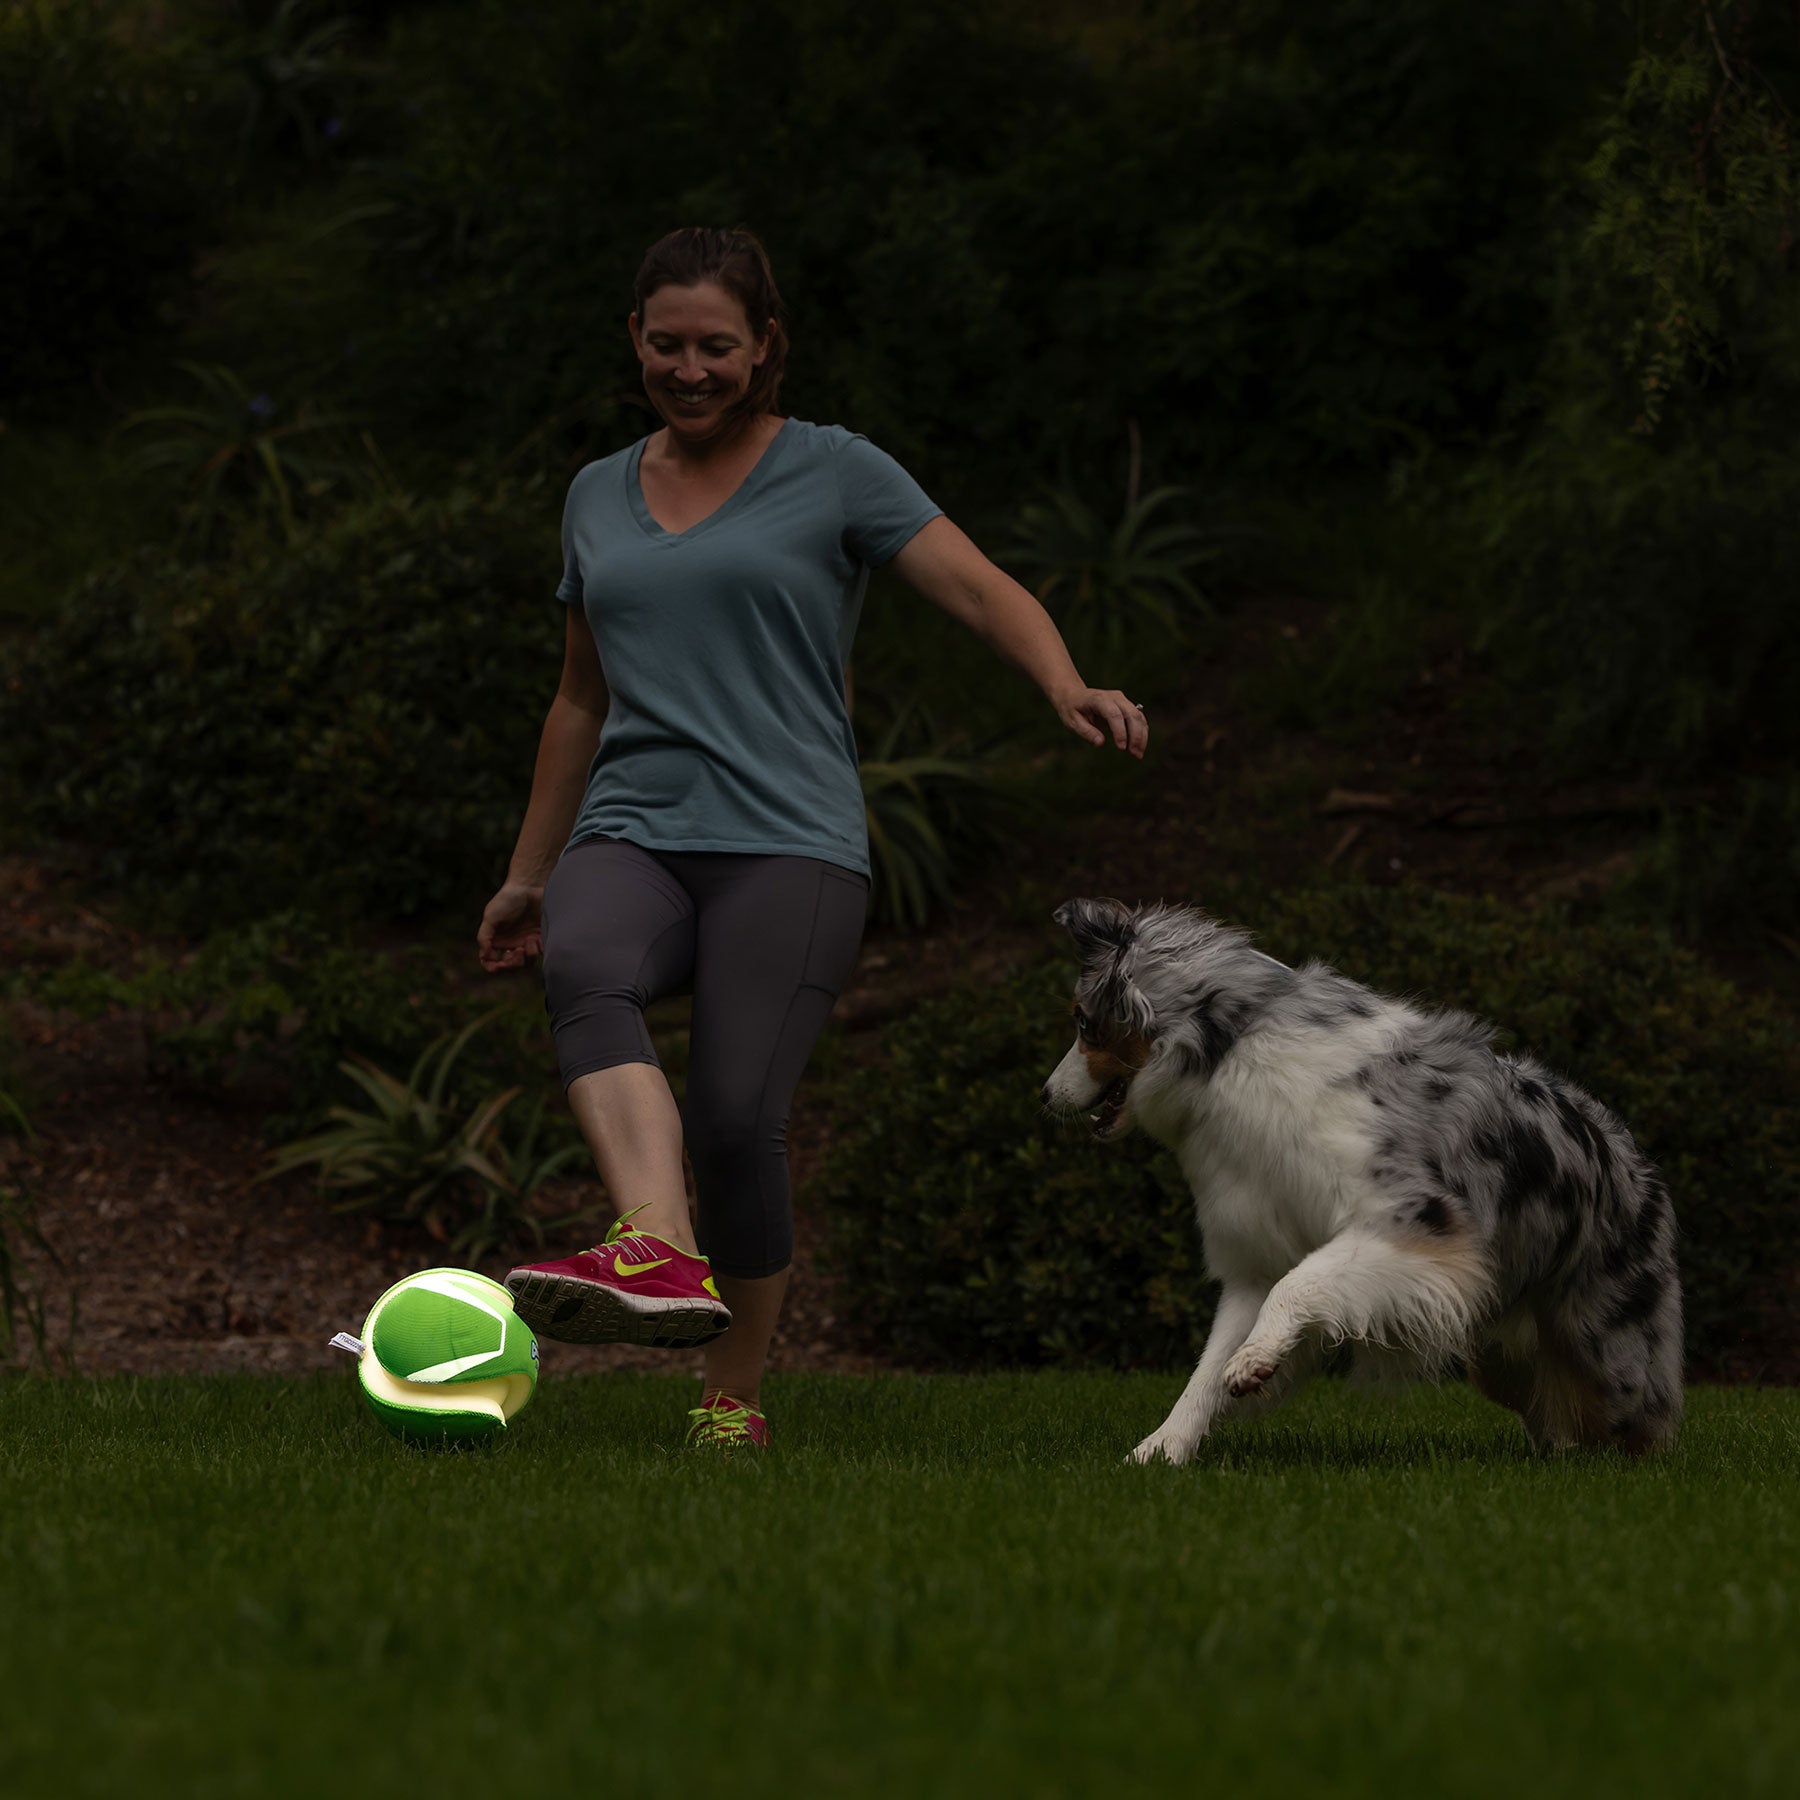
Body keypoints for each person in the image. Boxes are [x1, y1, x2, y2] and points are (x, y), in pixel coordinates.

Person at [476, 226, 1149, 1450]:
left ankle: (728, 1401)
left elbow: (978, 586)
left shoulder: (835, 469)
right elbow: (579, 698)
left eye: (716, 347)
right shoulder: (594, 493)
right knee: (585, 957)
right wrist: (530, 874)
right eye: (667, 344)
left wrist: (1065, 681)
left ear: (765, 346)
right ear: (634, 339)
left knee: (738, 1121)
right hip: (633, 825)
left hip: (789, 838)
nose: (689, 370)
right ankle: (654, 1241)